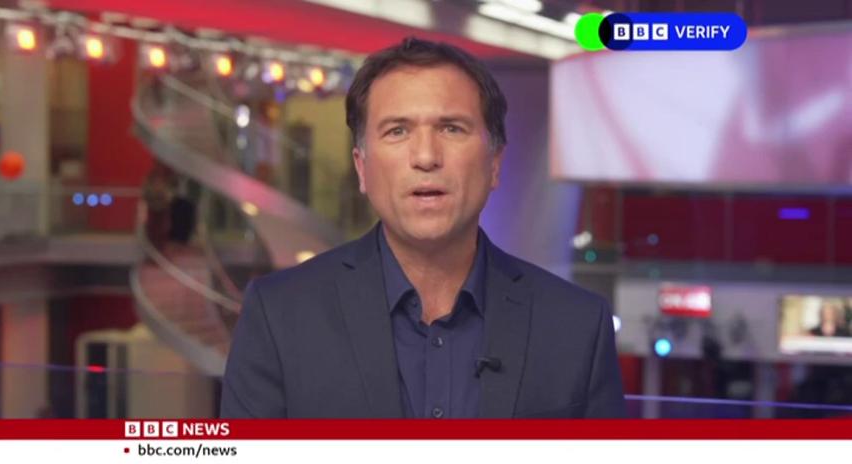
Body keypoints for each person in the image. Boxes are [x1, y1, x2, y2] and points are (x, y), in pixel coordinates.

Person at [220, 37, 625, 418]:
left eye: (452, 128)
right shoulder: (280, 315)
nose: (427, 157)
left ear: (494, 163)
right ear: (361, 167)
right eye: (397, 131)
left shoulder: (577, 326)